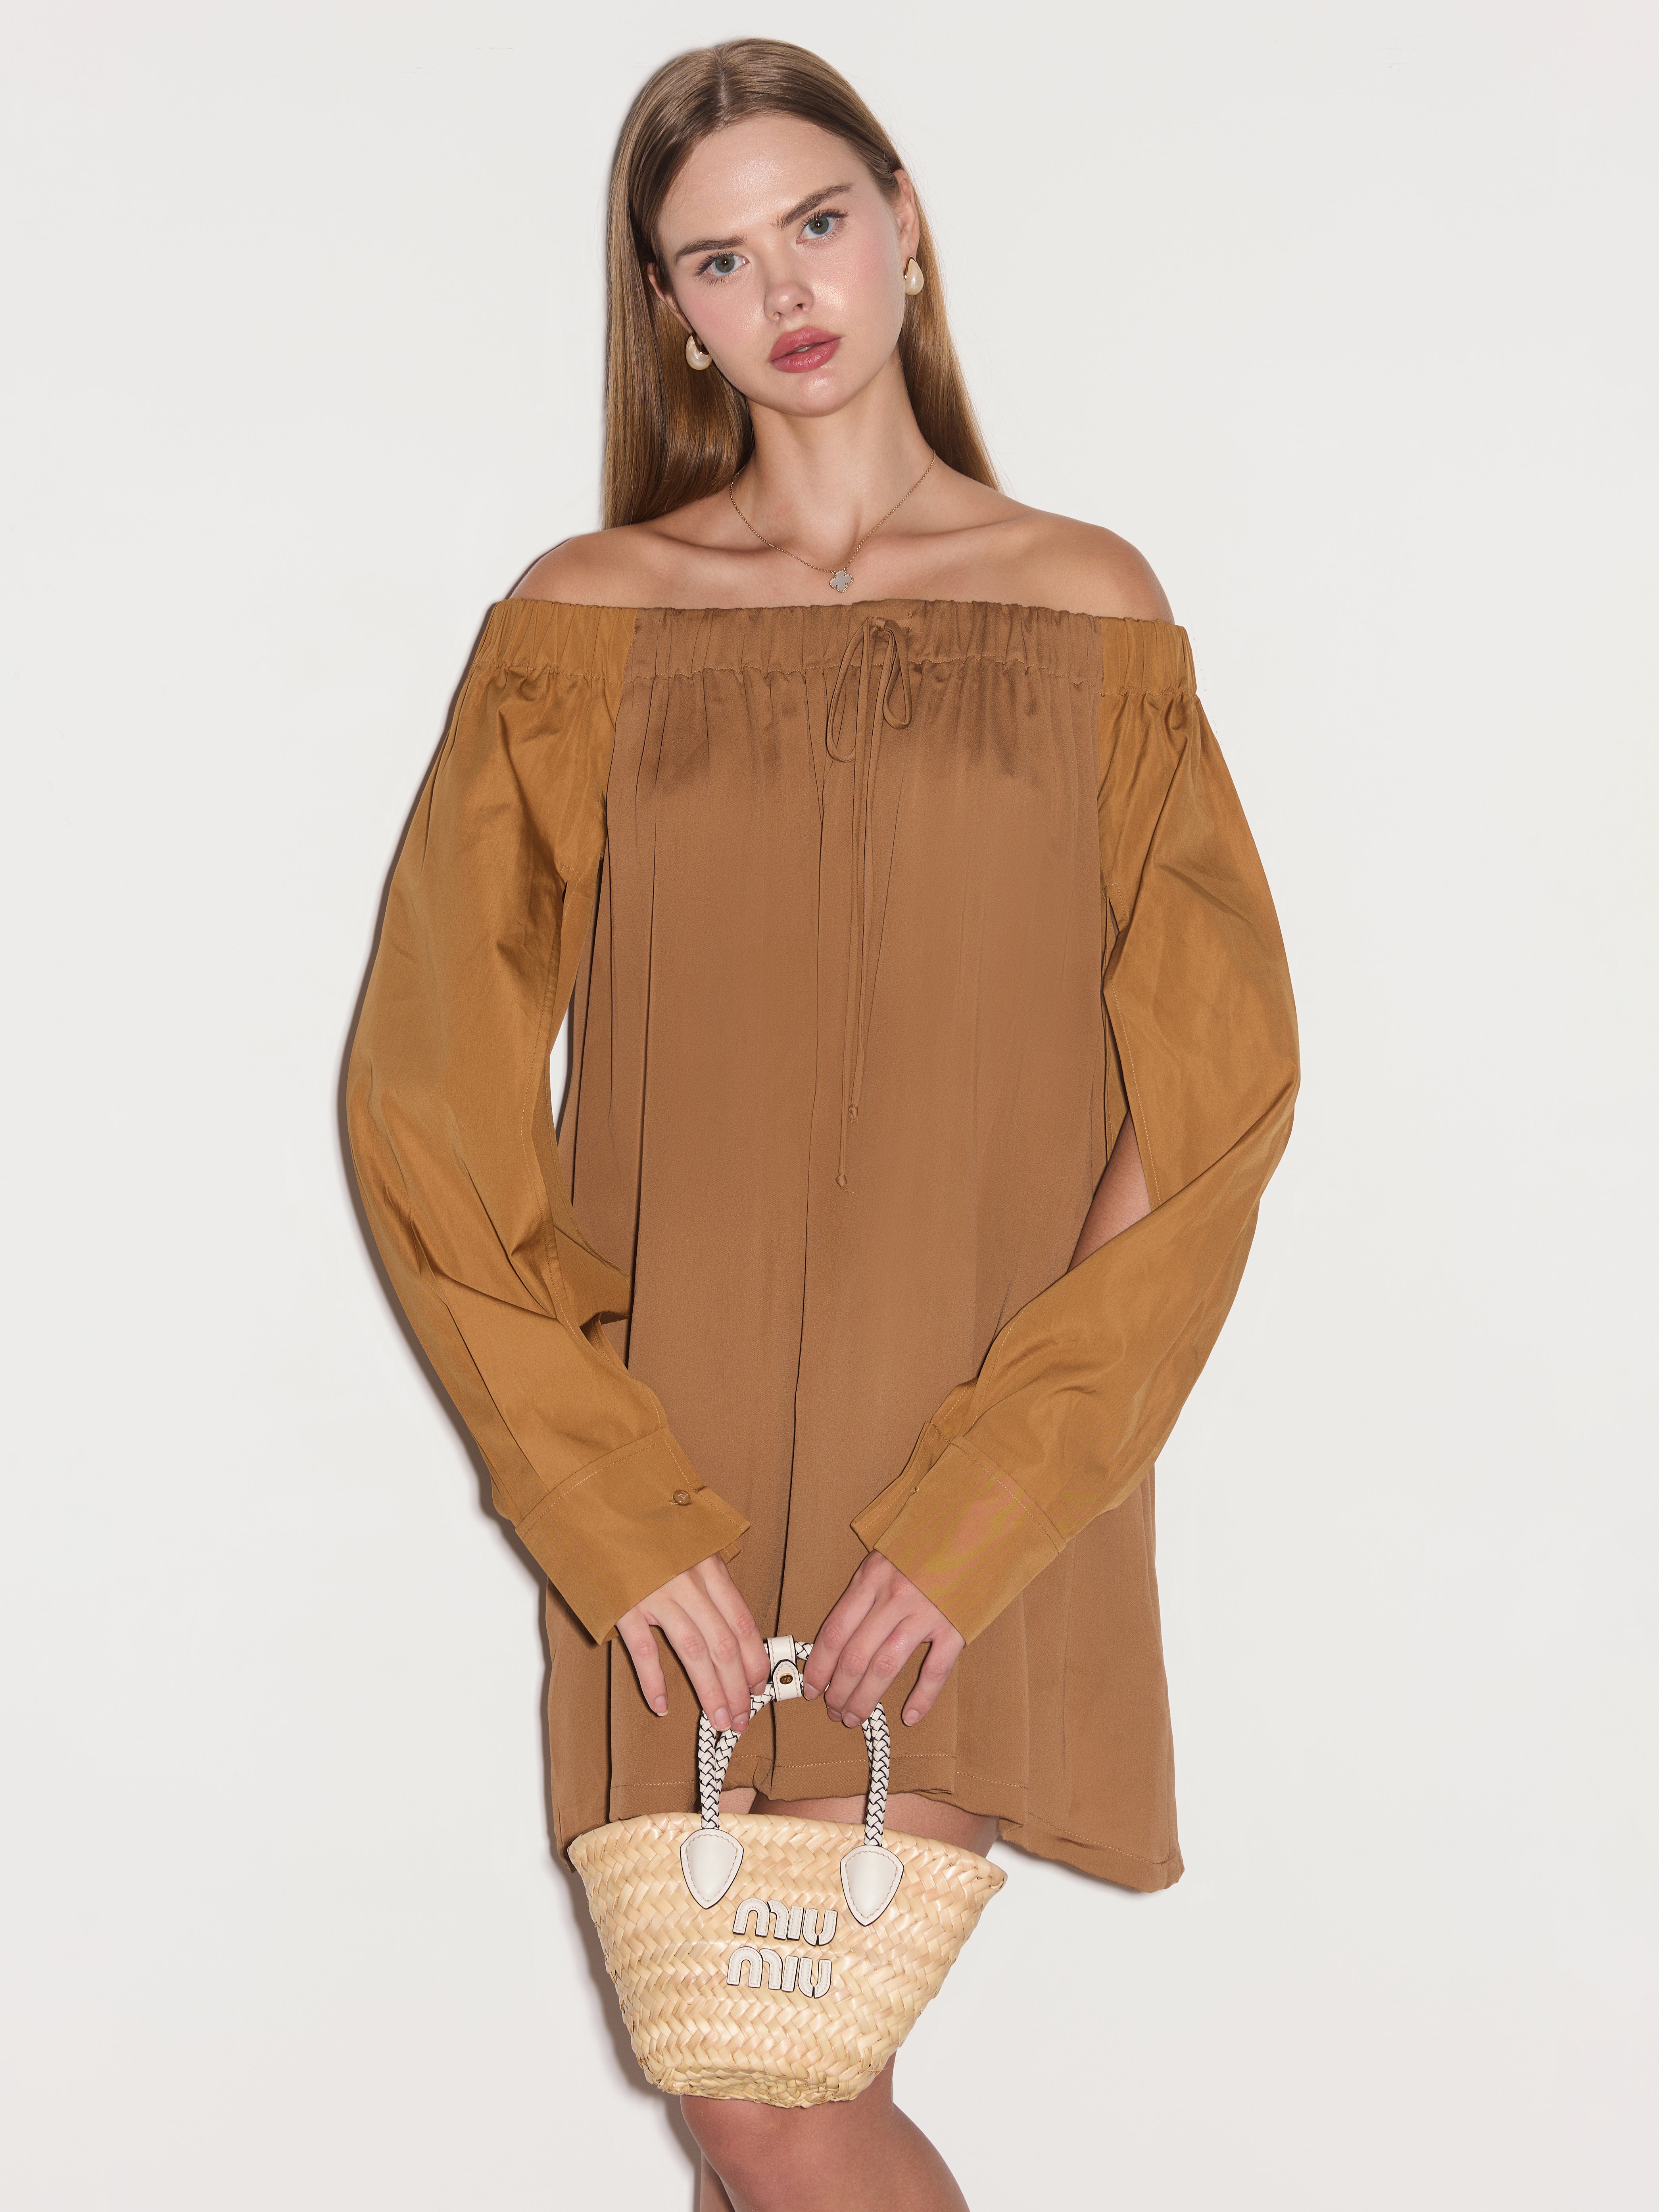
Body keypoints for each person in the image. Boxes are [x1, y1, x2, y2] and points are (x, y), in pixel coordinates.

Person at [347, 37, 1299, 2212]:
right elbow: (429, 1103)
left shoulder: (1086, 603)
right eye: (716, 257)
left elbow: (1210, 1083)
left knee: (769, 2087)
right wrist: (606, 1506)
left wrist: (991, 1499)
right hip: (662, 1480)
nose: (781, 287)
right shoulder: (583, 623)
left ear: (904, 226)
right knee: (745, 2110)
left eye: (815, 221)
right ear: (668, 310)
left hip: (959, 1468)